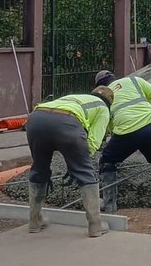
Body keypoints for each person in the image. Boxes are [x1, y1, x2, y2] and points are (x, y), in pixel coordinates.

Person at [25, 87, 114, 237]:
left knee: (39, 170)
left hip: (36, 119)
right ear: (110, 102)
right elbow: (93, 143)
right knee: (86, 174)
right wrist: (78, 163)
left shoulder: (76, 98)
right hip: (67, 122)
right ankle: (95, 225)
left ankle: (34, 221)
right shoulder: (103, 108)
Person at [93, 70, 151, 212]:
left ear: (100, 86)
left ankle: (109, 205)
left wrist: (111, 137)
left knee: (107, 161)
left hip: (126, 132)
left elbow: (108, 123)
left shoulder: (104, 96)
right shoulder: (133, 80)